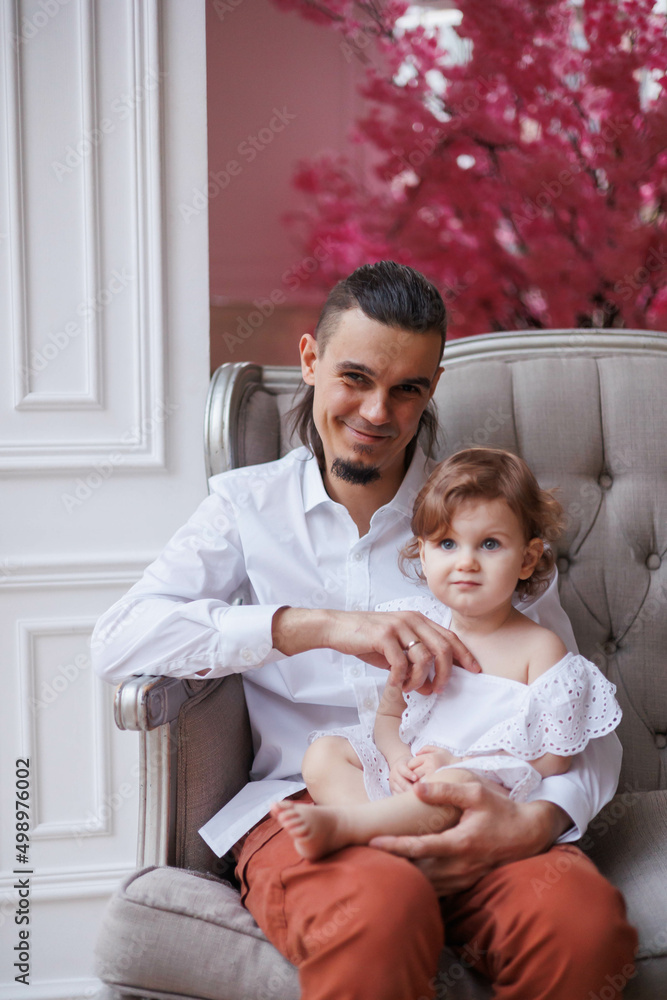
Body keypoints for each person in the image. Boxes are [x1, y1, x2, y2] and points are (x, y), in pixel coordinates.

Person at [93, 261, 637, 1000]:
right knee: (379, 911)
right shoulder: (243, 508)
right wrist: (309, 626)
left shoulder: (476, 527)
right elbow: (119, 639)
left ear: (430, 389)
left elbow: (572, 715)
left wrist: (533, 823)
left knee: (580, 924)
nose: (377, 411)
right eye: (355, 377)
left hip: (474, 798)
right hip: (308, 803)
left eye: (406, 388)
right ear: (311, 362)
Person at [271, 448, 623, 862]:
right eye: (447, 543)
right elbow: (387, 718)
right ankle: (384, 841)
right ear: (423, 554)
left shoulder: (540, 648)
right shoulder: (421, 632)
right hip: (412, 778)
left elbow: (555, 758)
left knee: (454, 782)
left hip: (480, 792)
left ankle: (351, 828)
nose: (466, 562)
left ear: (527, 560)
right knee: (325, 752)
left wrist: (462, 762)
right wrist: (399, 758)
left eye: (489, 544)